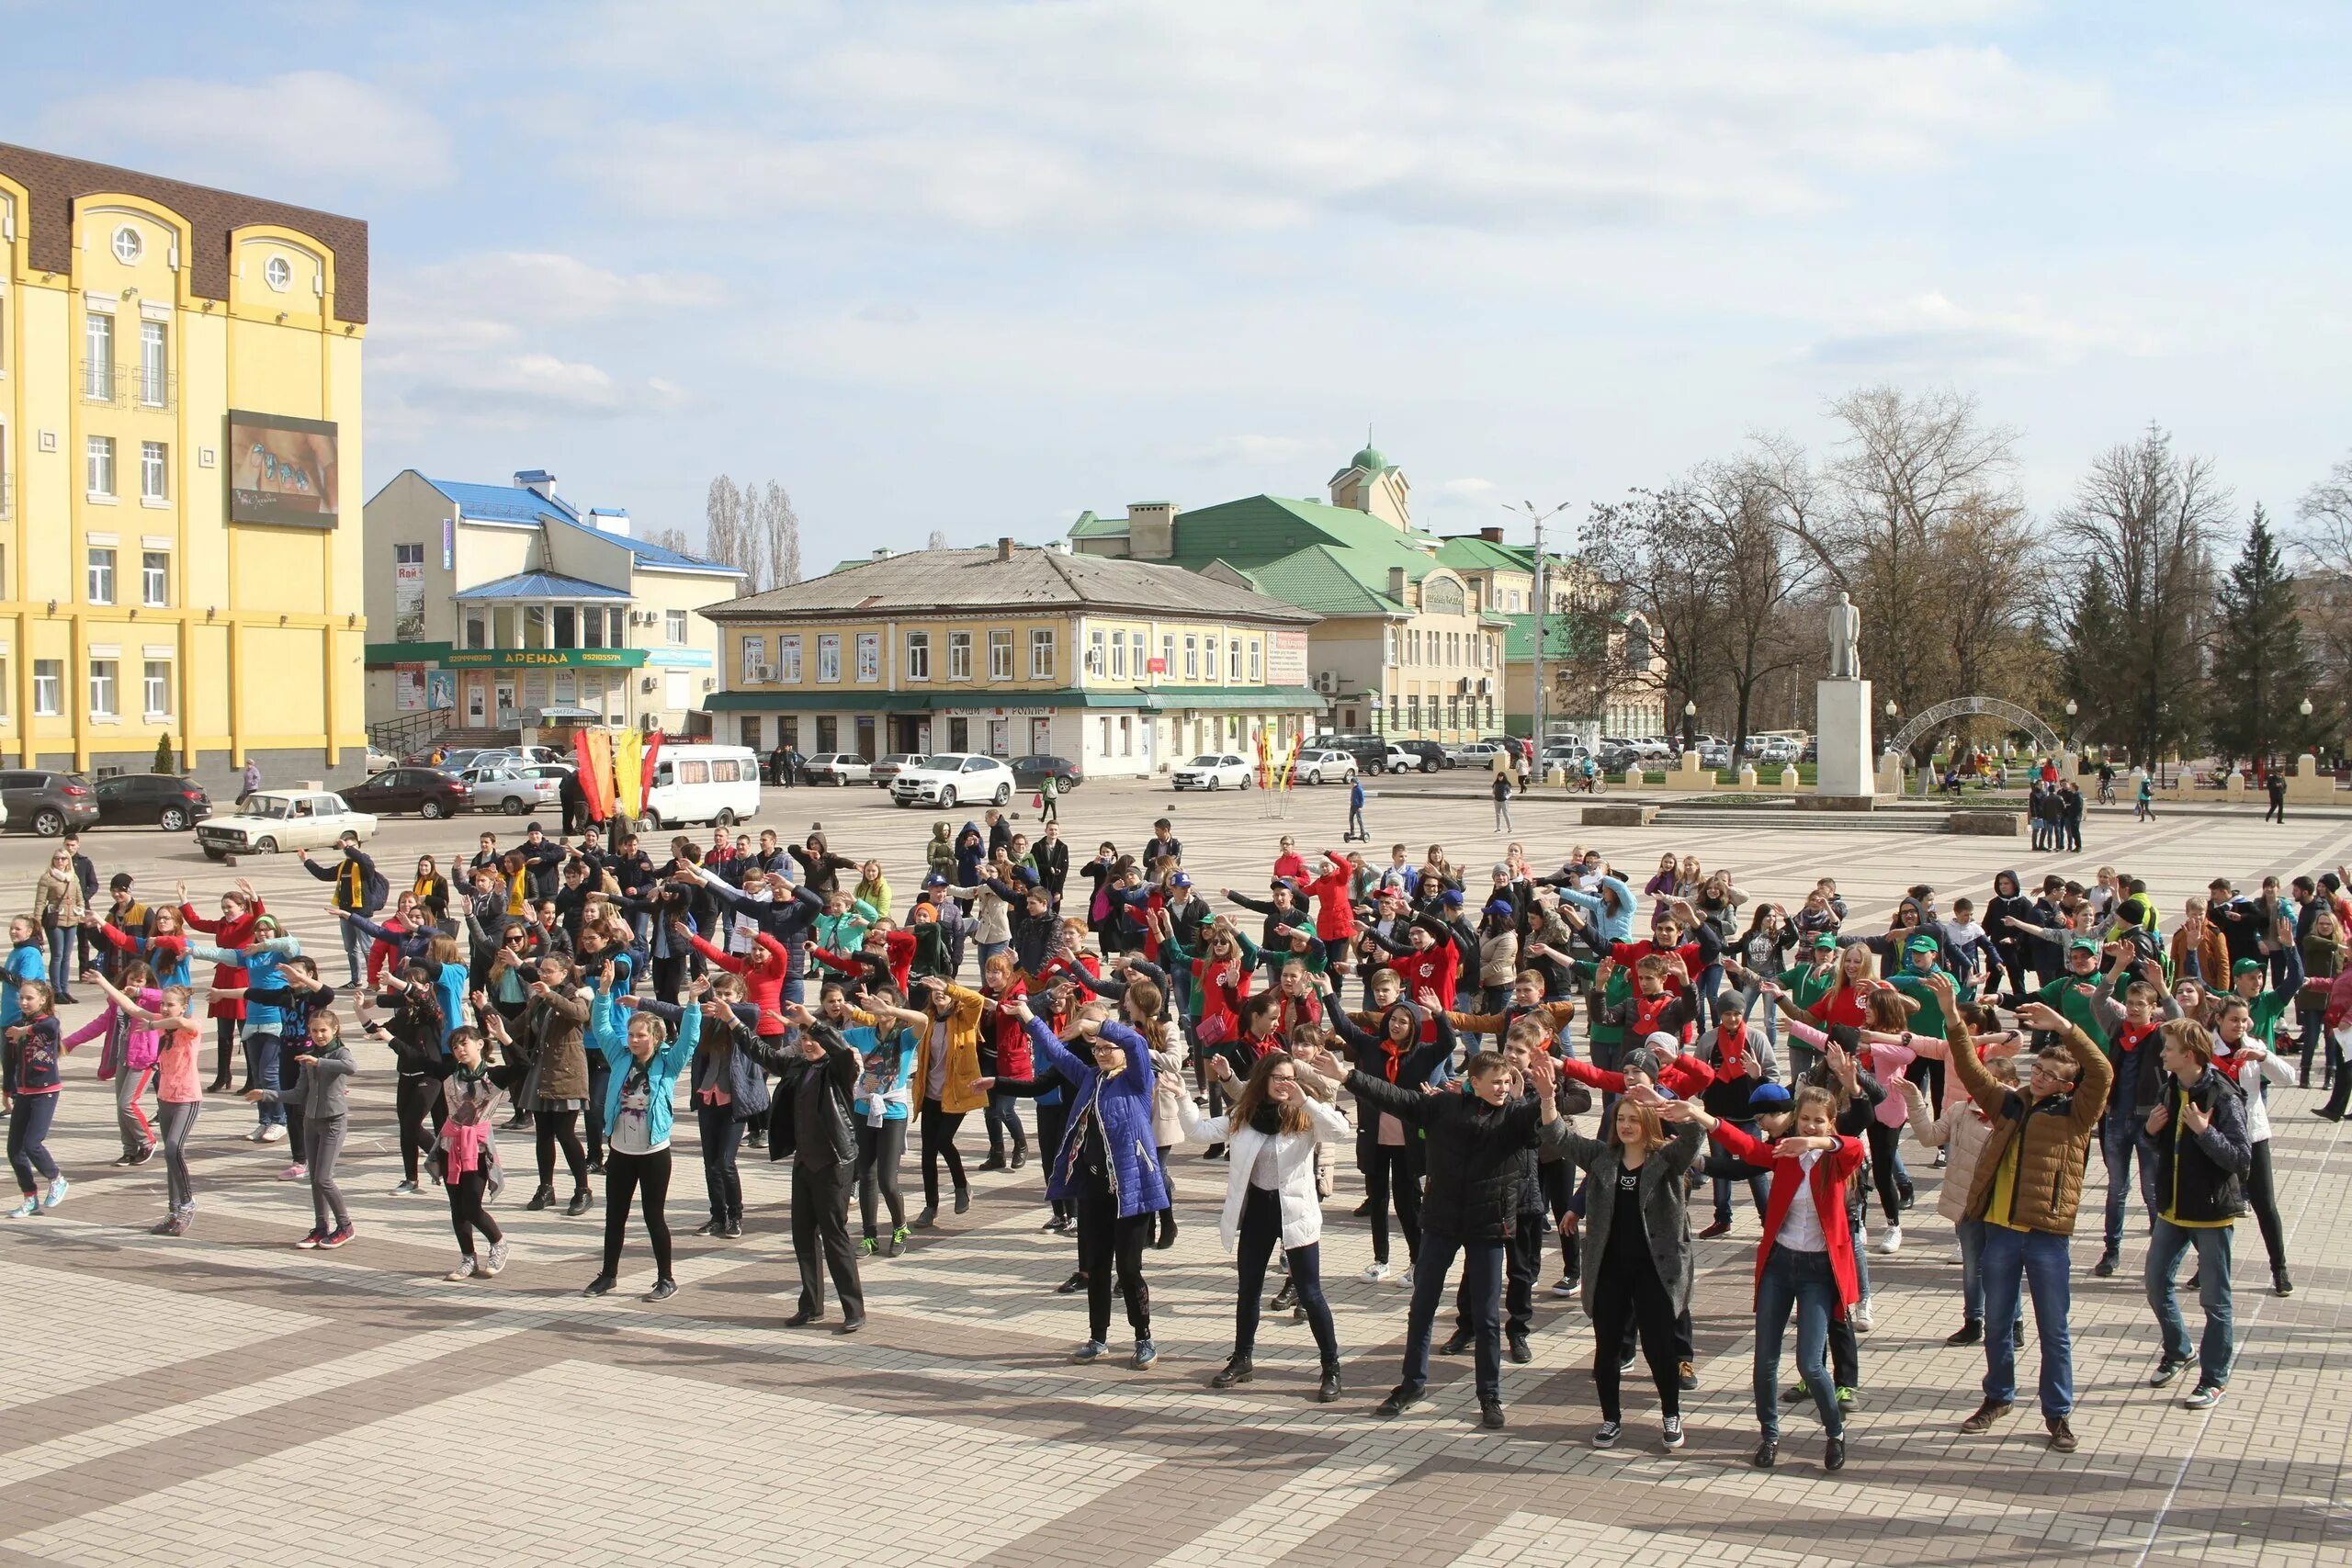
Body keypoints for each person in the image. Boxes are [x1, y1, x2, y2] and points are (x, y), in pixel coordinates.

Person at [1346, 1046, 1571, 1430]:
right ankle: (1412, 1384)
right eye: (1495, 1082)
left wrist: (1549, 1094)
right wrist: (1347, 1076)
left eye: (1506, 1082)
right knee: (1422, 1306)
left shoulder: (1515, 1116)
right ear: (1474, 1082)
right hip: (1440, 1222)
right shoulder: (1442, 1108)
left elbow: (1552, 1126)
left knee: (1485, 1317)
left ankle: (1489, 1394)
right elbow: (1393, 1096)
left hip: (1488, 1227)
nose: (1502, 1088)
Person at [1945, 977, 2110, 1455]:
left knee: (2053, 1330)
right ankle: (1997, 1397)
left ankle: (2057, 1414)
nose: (2036, 1077)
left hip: (2045, 1235)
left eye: (2047, 1074)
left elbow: (2101, 1073)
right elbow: (1972, 1071)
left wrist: (2063, 1026)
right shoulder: (2010, 1103)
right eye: (2035, 1068)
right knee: (1997, 1323)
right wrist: (1953, 1019)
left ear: (2065, 1085)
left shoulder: (2077, 1114)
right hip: (1999, 1230)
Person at [1666, 1084, 1863, 1472]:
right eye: (1803, 1120)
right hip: (1780, 1265)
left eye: (1818, 1122)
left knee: (1810, 1364)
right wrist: (1699, 1117)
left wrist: (1818, 1144)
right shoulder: (1784, 1153)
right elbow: (1745, 1147)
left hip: (1819, 1272)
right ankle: (1769, 1435)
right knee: (1765, 1361)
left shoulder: (1837, 1159)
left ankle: (1835, 1432)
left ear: (1830, 1123)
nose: (1809, 1127)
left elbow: (1853, 1147)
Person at [1001, 995, 1168, 1369]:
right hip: (1095, 1191)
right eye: (1099, 1049)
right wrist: (1028, 1015)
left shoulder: (1139, 1081)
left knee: (1128, 1269)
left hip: (1132, 1193)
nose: (1103, 1054)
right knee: (1096, 1267)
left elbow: (1137, 1042)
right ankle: (1098, 1338)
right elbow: (1058, 1055)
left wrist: (1098, 1027)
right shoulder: (1089, 1078)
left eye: (1110, 1049)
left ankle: (1144, 1338)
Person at [1173, 1048, 1350, 1400]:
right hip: (1258, 1211)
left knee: (1311, 1293)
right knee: (1248, 1289)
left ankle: (1331, 1367)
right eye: (1278, 1078)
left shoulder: (1304, 1116)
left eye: (1290, 1078)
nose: (1285, 1084)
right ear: (1264, 1080)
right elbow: (1198, 1131)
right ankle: (1243, 1358)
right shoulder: (1245, 1114)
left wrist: (1306, 1102)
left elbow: (1340, 1131)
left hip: (1296, 1214)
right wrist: (1181, 1097)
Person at [1556, 1090, 1706, 1451]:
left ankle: (1671, 1415)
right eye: (1621, 1118)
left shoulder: (1666, 1160)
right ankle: (1611, 1419)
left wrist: (1669, 1104)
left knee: (1659, 1348)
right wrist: (1548, 1099)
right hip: (1610, 1269)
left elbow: (1693, 1138)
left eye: (1634, 1120)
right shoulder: (1602, 1159)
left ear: (1649, 1123)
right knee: (1606, 1349)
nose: (1625, 1126)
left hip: (1655, 1271)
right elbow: (1559, 1137)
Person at [2143, 1019, 2253, 1408]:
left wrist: (2206, 1133)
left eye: (2168, 1049)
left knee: (2215, 1301)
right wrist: (2151, 1133)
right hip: (2172, 1209)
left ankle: (2214, 1378)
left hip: (2210, 1214)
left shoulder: (2222, 1095)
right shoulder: (2170, 1087)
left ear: (2189, 1055)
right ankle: (2178, 1350)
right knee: (2156, 1284)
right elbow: (2161, 1147)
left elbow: (2241, 1158)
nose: (2162, 1054)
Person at [590, 985, 701, 1301]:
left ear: (656, 1037)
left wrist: (692, 1003)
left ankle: (666, 1278)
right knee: (615, 1216)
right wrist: (604, 993)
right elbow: (600, 1027)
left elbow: (690, 1040)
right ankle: (608, 1275)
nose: (634, 1040)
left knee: (654, 1216)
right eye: (631, 1034)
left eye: (641, 1035)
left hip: (654, 1153)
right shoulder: (619, 1056)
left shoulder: (667, 1063)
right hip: (621, 1152)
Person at [772, 999, 866, 1331]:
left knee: (835, 1237)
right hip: (804, 1164)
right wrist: (732, 1021)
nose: (810, 1042)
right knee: (803, 1237)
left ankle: (854, 1310)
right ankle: (811, 1305)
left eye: (814, 1037)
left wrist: (813, 1020)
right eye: (805, 1037)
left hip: (833, 1164)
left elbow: (841, 1050)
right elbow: (764, 1055)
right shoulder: (799, 1067)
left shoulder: (839, 1069)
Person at [245, 1003, 360, 1248]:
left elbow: (351, 1067)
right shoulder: (309, 1058)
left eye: (323, 1031)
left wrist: (318, 1063)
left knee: (324, 1178)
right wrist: (265, 1094)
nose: (319, 1035)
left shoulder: (340, 1053)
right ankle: (321, 1228)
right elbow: (298, 1094)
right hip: (311, 1122)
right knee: (314, 1180)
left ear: (335, 1029)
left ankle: (345, 1226)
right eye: (314, 1031)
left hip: (333, 1122)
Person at [3, 978, 66, 1215]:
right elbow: (9, 1060)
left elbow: (51, 1027)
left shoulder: (46, 1022)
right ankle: (30, 1198)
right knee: (14, 1150)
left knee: (32, 1143)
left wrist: (24, 1031)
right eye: (21, 998)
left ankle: (57, 1178)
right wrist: (7, 1091)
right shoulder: (17, 1025)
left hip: (46, 1091)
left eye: (29, 998)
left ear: (42, 999)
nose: (24, 1002)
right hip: (24, 1093)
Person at [1491, 769, 1513, 834]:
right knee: (1497, 815)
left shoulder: (1506, 784)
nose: (1500, 777)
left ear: (1503, 777)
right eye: (1499, 776)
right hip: (1496, 801)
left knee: (1505, 814)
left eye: (1501, 776)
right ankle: (1498, 828)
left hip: (1504, 801)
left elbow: (1510, 792)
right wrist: (1493, 796)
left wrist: (1506, 797)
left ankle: (1510, 828)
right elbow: (1493, 792)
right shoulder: (1495, 784)